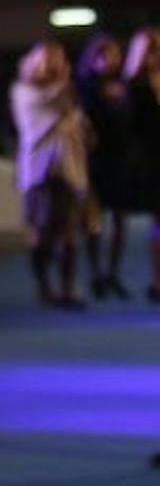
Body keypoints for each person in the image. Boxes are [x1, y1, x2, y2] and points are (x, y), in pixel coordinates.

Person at [10, 40, 92, 308]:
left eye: (57, 59)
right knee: (41, 230)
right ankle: (43, 283)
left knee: (68, 231)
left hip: (68, 170)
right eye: (47, 60)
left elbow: (79, 125)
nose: (53, 66)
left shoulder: (68, 94)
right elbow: (44, 117)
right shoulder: (24, 92)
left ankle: (68, 288)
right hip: (39, 171)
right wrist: (65, 89)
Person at [75, 35, 133, 298]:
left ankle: (113, 273)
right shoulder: (85, 89)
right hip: (93, 161)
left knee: (120, 221)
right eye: (104, 55)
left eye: (114, 54)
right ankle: (96, 273)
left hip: (120, 160)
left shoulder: (125, 88)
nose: (110, 60)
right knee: (93, 221)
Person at [124, 27, 160, 302]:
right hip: (152, 159)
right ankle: (158, 281)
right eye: (151, 50)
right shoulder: (134, 88)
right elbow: (134, 129)